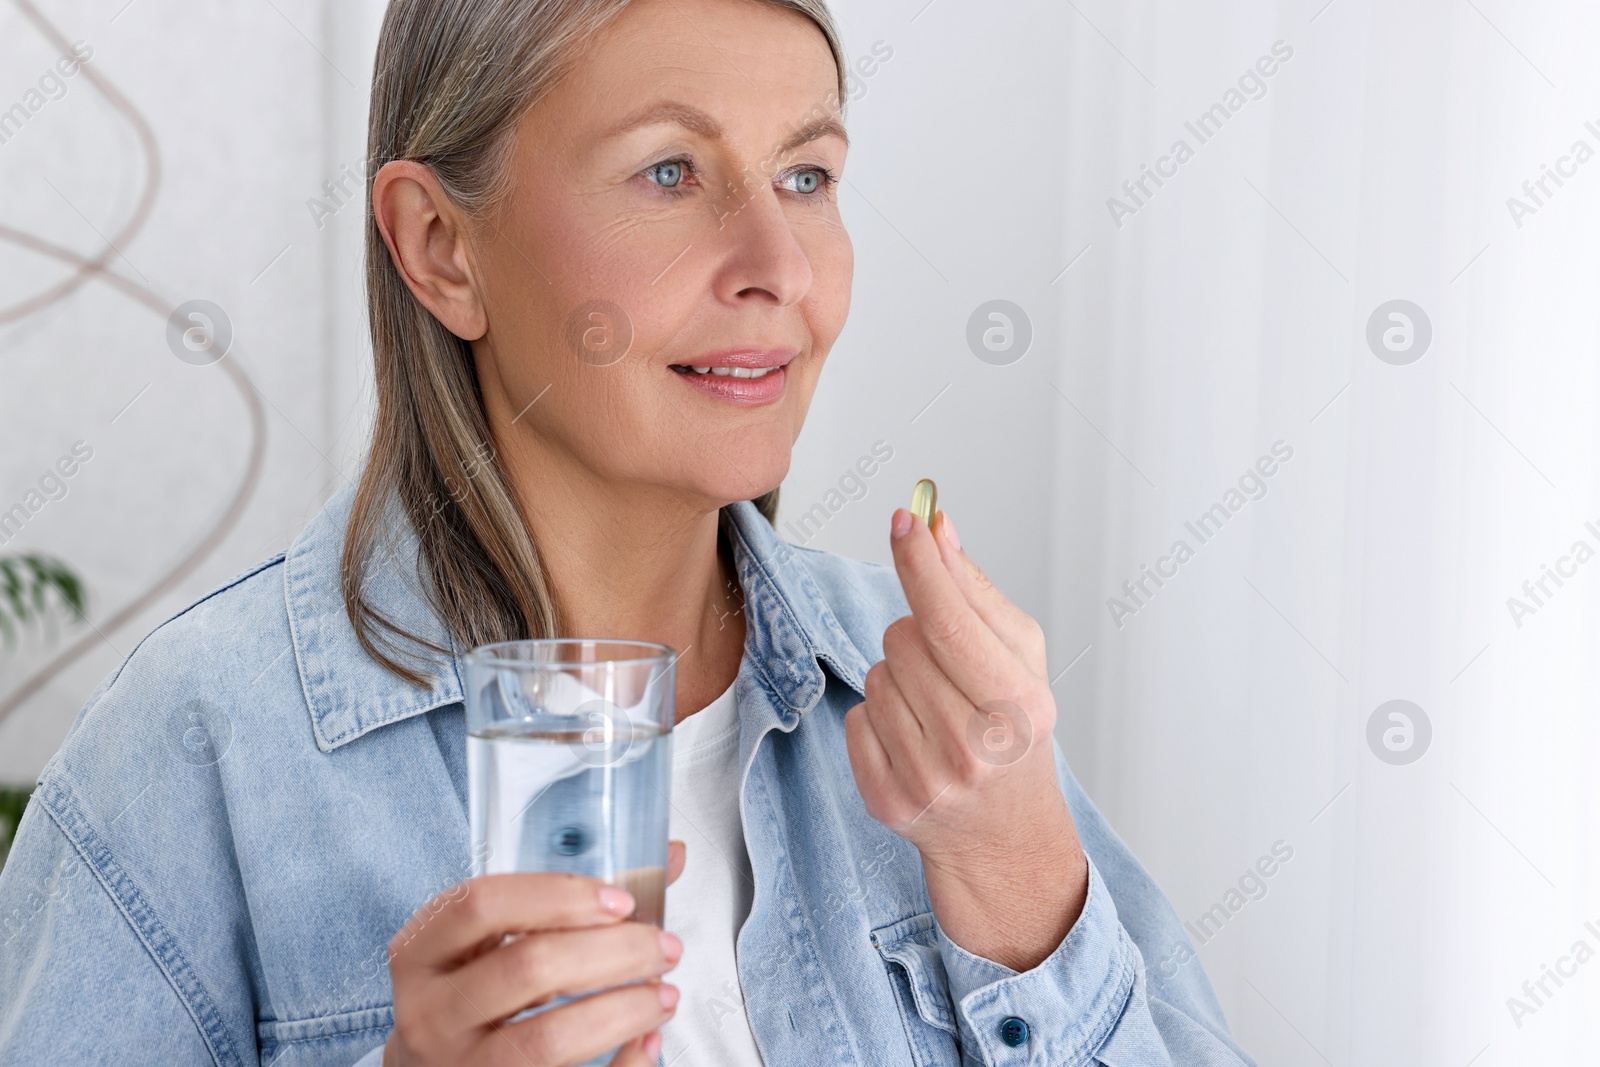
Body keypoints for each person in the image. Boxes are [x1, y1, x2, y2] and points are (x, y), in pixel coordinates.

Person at [0, 0, 1254, 1063]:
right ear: (441, 248)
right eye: (670, 170)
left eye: (806, 176)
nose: (780, 265)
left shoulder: (936, 697)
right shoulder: (199, 745)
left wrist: (1028, 889)